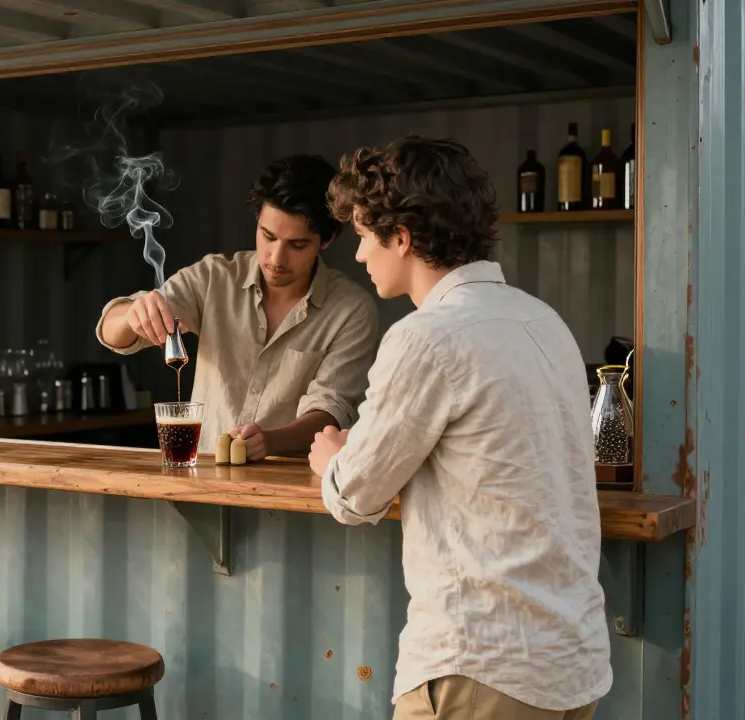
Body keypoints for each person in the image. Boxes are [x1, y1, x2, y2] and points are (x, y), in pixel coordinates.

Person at [308, 135, 611, 719]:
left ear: (403, 237)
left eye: (367, 235)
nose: (359, 255)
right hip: (572, 665)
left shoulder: (427, 337)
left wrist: (333, 457)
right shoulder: (545, 322)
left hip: (481, 668)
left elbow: (355, 495)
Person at [95, 154, 379, 458]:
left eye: (297, 245)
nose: (276, 258)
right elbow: (112, 334)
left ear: (328, 239)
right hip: (204, 481)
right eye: (267, 236)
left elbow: (331, 411)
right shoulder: (214, 277)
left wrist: (269, 441)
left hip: (288, 492)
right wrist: (132, 315)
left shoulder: (351, 310)